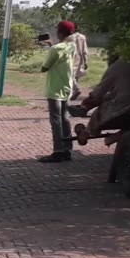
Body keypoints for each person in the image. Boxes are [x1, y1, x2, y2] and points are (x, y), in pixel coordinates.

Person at [74, 51, 130, 140]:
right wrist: (105, 97)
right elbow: (123, 89)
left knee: (98, 112)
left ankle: (87, 133)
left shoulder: (115, 67)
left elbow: (100, 90)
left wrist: (89, 101)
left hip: (125, 105)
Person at [38, 23, 78, 163]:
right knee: (64, 118)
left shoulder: (55, 49)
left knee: (55, 120)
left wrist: (51, 47)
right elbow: (61, 51)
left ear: (60, 32)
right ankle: (67, 149)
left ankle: (58, 151)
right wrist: (51, 44)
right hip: (66, 86)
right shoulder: (72, 46)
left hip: (54, 88)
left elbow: (45, 67)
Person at [60, 21, 89, 100]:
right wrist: (86, 61)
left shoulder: (69, 38)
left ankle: (76, 90)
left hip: (71, 58)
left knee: (69, 75)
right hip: (80, 58)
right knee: (75, 76)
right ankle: (72, 92)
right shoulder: (82, 37)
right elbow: (85, 50)